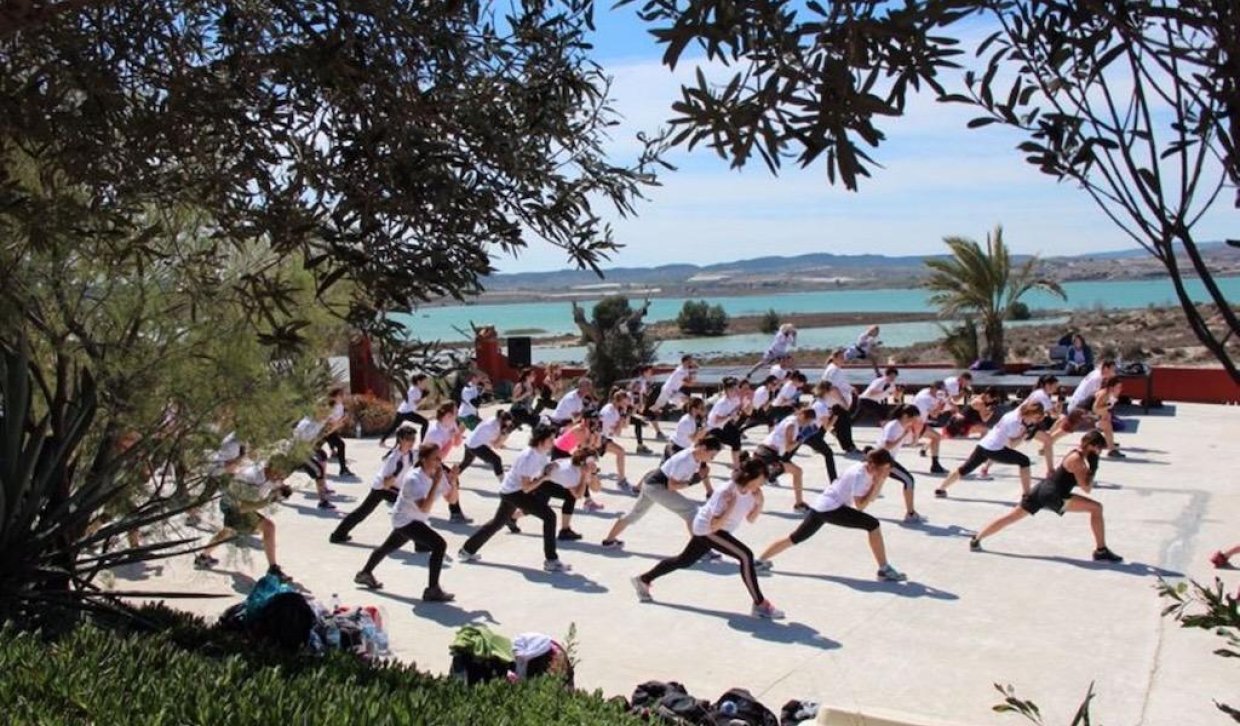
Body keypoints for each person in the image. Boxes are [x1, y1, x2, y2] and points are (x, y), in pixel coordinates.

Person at [631, 455, 785, 620]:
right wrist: (729, 508)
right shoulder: (726, 492)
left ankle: (643, 579)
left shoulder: (752, 492)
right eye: (762, 479)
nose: (763, 482)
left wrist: (760, 503)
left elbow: (751, 519)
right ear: (750, 477)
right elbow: (713, 526)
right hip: (708, 529)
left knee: (684, 560)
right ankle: (760, 604)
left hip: (715, 530)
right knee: (746, 556)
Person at [755, 448, 908, 582]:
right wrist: (879, 482)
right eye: (884, 469)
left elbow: (870, 498)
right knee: (873, 525)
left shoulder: (865, 469)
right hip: (831, 509)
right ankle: (884, 569)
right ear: (874, 465)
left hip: (822, 505)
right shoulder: (860, 475)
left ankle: (759, 561)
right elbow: (861, 506)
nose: (885, 472)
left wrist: (877, 481)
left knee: (795, 537)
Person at [968, 430, 1123, 562]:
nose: (1099, 452)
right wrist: (1094, 467)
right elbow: (1087, 488)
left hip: (1042, 488)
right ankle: (1101, 551)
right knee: (1096, 508)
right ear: (1091, 446)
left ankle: (977, 539)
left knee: (1012, 516)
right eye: (1099, 449)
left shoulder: (1076, 454)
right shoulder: (1078, 461)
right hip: (1054, 495)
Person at [458, 425, 573, 572]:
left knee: (497, 523)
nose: (554, 441)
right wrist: (544, 478)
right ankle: (551, 560)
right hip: (515, 492)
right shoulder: (529, 456)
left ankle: (467, 550)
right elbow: (526, 487)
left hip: (510, 490)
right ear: (541, 440)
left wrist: (553, 466)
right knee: (549, 516)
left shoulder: (541, 452)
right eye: (551, 439)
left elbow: (541, 470)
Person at [353, 442, 456, 601]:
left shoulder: (438, 474)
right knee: (439, 545)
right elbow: (424, 508)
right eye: (435, 458)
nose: (439, 462)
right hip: (405, 520)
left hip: (415, 520)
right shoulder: (413, 479)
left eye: (440, 458)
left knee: (388, 547)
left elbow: (451, 500)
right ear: (423, 459)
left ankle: (364, 573)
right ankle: (432, 589)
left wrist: (453, 482)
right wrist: (436, 483)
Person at [602, 437, 723, 548]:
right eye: (712, 456)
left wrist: (700, 474)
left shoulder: (695, 454)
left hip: (650, 484)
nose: (712, 459)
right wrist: (694, 480)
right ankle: (697, 550)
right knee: (691, 511)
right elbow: (672, 486)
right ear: (703, 449)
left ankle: (609, 540)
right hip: (657, 487)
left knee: (634, 514)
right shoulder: (684, 461)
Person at [194, 457, 295, 582]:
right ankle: (273, 569)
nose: (280, 477)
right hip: (233, 506)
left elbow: (276, 484)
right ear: (270, 468)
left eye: (282, 474)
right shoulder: (251, 478)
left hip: (238, 504)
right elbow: (244, 508)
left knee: (227, 532)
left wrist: (283, 489)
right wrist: (270, 499)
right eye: (278, 473)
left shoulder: (272, 475)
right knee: (268, 527)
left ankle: (203, 557)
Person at [934, 401, 1047, 498]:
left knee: (964, 469)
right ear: (1029, 413)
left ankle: (940, 488)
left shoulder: (1016, 412)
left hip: (984, 444)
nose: (1036, 421)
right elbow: (1012, 444)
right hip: (994, 449)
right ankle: (1027, 495)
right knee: (1024, 461)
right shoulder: (1014, 424)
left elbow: (1028, 406)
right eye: (1035, 417)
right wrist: (1024, 435)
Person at [331, 422, 419, 544]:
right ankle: (420, 543)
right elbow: (386, 484)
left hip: (390, 487)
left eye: (413, 439)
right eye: (408, 439)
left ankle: (338, 534)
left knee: (362, 512)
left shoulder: (411, 454)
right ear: (400, 439)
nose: (411, 442)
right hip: (382, 488)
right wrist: (396, 474)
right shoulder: (393, 458)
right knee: (410, 507)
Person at [1055, 365, 1125, 459]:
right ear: (1112, 387)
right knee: (1063, 431)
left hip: (1086, 413)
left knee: (1107, 425)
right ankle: (1047, 443)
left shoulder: (1110, 394)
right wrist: (1107, 409)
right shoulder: (1104, 394)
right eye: (1118, 387)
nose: (1121, 389)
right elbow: (1096, 408)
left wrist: (1105, 416)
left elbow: (1103, 411)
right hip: (1080, 413)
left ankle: (1111, 448)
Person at [755, 407, 816, 511]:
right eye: (807, 421)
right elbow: (788, 447)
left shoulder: (792, 419)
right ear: (803, 417)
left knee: (756, 480)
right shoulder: (792, 425)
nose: (807, 424)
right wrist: (801, 438)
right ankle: (799, 504)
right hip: (768, 455)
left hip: (767, 453)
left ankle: (799, 503)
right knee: (797, 472)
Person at [872, 404, 924, 522]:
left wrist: (916, 432)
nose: (915, 421)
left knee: (871, 489)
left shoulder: (904, 426)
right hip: (882, 460)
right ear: (906, 416)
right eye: (914, 418)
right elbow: (886, 446)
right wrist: (903, 436)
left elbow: (912, 445)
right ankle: (910, 514)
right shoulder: (893, 426)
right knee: (909, 480)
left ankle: (848, 506)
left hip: (887, 459)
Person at [537, 446, 601, 541]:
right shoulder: (571, 474)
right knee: (569, 497)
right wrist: (584, 477)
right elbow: (578, 495)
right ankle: (565, 531)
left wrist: (594, 473)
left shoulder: (578, 466)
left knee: (534, 507)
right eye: (593, 462)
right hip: (540, 482)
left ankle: (513, 518)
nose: (594, 464)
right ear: (585, 463)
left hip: (548, 480)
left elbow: (596, 489)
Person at [423, 402, 473, 523]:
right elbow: (438, 456)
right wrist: (451, 439)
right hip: (427, 462)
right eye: (455, 413)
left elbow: (457, 443)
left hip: (436, 461)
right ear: (448, 415)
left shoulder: (451, 424)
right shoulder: (435, 432)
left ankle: (455, 513)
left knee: (450, 481)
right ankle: (455, 513)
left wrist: (457, 434)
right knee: (451, 481)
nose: (457, 415)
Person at [800, 381, 843, 481]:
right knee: (829, 454)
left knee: (786, 457)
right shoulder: (822, 406)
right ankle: (834, 481)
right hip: (810, 434)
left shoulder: (817, 401)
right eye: (832, 390)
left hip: (805, 431)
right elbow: (827, 427)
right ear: (827, 392)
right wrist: (836, 416)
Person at [819, 348, 858, 454]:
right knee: (844, 424)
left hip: (836, 401)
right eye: (840, 357)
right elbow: (831, 387)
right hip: (835, 402)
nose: (843, 359)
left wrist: (851, 388)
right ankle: (849, 446)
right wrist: (842, 401)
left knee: (835, 423)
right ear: (834, 358)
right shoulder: (833, 370)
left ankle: (818, 442)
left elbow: (841, 384)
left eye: (843, 357)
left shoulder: (836, 369)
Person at [1022, 374, 1063, 477]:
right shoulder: (1042, 396)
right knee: (1006, 445)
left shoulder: (1039, 393)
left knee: (1048, 440)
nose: (1056, 389)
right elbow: (1054, 415)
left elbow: (1053, 414)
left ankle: (1051, 471)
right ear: (1048, 385)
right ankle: (1051, 471)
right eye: (1055, 386)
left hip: (1028, 422)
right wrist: (1060, 403)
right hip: (1023, 423)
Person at [293, 415, 337, 509]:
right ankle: (323, 501)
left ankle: (323, 497)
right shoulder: (308, 424)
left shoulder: (316, 422)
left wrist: (334, 426)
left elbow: (316, 439)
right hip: (298, 453)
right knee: (318, 471)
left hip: (304, 450)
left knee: (321, 458)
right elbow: (301, 442)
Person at [458, 410, 514, 482]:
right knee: (496, 460)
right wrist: (505, 434)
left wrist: (503, 434)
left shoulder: (493, 419)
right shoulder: (494, 428)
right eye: (505, 424)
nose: (506, 426)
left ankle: (450, 477)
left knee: (465, 463)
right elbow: (496, 445)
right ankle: (504, 482)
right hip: (476, 446)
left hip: (469, 442)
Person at [705, 376, 745, 468]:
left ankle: (736, 465)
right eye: (733, 389)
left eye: (736, 388)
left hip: (725, 423)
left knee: (736, 440)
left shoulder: (736, 398)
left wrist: (737, 412)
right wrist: (730, 416)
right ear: (727, 390)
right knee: (714, 446)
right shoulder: (722, 403)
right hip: (713, 426)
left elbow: (738, 406)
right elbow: (716, 420)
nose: (736, 391)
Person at [909, 383, 949, 474]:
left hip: (916, 422)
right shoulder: (928, 399)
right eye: (939, 391)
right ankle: (935, 465)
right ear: (934, 388)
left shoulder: (924, 391)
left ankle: (935, 465)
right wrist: (941, 404)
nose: (940, 393)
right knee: (896, 444)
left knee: (936, 437)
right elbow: (934, 415)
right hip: (913, 425)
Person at [380, 374, 430, 445]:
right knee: (425, 422)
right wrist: (423, 400)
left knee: (393, 427)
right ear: (419, 382)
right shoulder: (414, 391)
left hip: (401, 411)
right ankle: (422, 443)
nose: (426, 384)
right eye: (424, 382)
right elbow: (416, 404)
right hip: (406, 413)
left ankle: (382, 441)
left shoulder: (415, 389)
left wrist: (423, 396)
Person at [627, 364, 665, 451]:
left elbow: (643, 394)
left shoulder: (643, 381)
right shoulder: (639, 381)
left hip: (635, 405)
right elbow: (635, 394)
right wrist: (638, 407)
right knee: (637, 422)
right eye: (650, 371)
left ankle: (640, 445)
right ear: (645, 372)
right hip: (631, 404)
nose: (651, 373)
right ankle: (640, 445)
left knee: (638, 423)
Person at [323, 386, 356, 478]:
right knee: (314, 448)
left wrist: (343, 420)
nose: (343, 396)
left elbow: (338, 421)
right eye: (340, 395)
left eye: (343, 395)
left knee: (341, 445)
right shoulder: (329, 407)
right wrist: (340, 421)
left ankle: (343, 469)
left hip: (331, 430)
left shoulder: (341, 406)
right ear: (334, 396)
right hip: (323, 431)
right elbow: (328, 421)